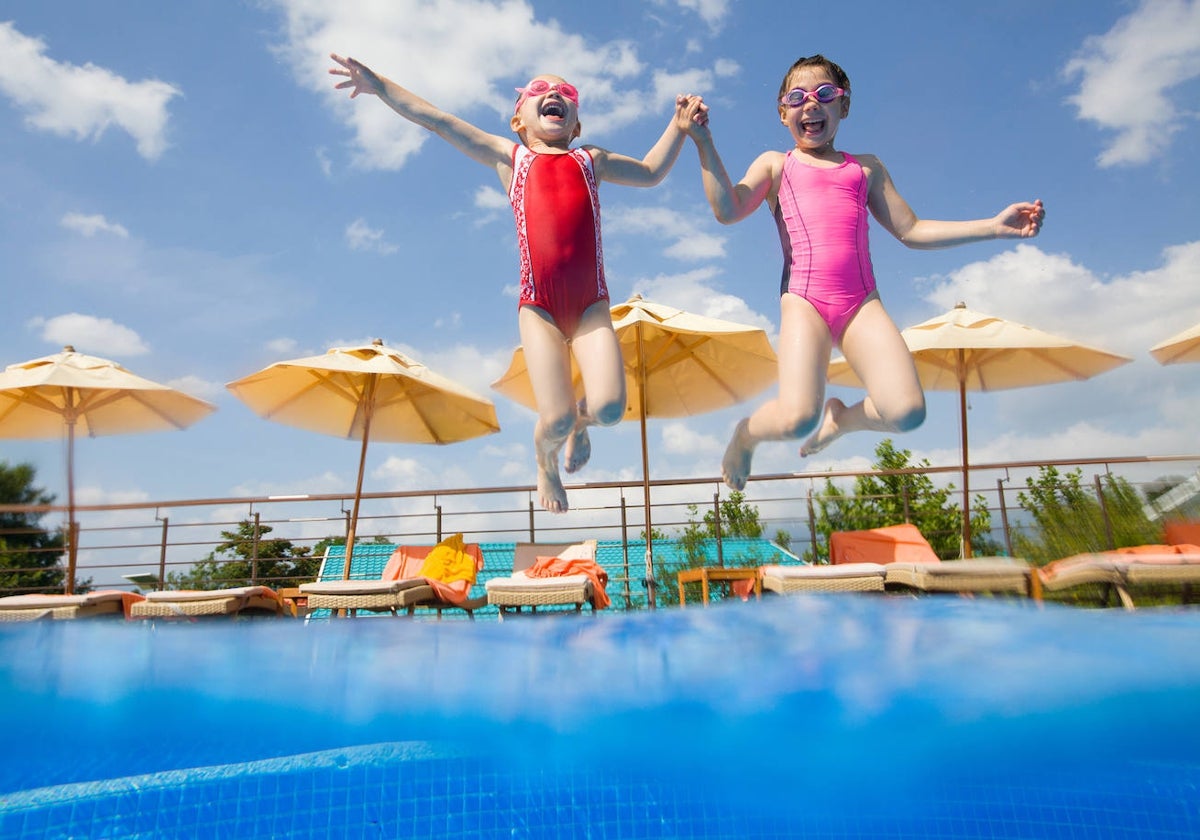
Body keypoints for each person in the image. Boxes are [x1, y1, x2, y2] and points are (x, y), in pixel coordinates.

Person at [329, 54, 708, 512]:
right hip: (541, 307)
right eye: (540, 90)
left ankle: (582, 427)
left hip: (591, 304)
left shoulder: (593, 160)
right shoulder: (513, 158)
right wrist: (379, 85)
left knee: (608, 409)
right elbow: (438, 120)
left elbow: (650, 172)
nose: (555, 94)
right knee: (557, 415)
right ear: (518, 121)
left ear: (576, 124)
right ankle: (544, 462)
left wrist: (679, 126)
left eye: (567, 93)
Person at [680, 54, 1044, 491]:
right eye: (797, 98)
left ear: (844, 107)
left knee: (906, 410)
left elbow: (911, 230)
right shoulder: (776, 165)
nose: (811, 105)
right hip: (805, 300)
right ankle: (746, 434)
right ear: (782, 113)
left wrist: (991, 227)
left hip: (860, 302)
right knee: (797, 419)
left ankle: (845, 420)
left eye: (825, 95)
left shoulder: (865, 168)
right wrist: (703, 142)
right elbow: (727, 208)